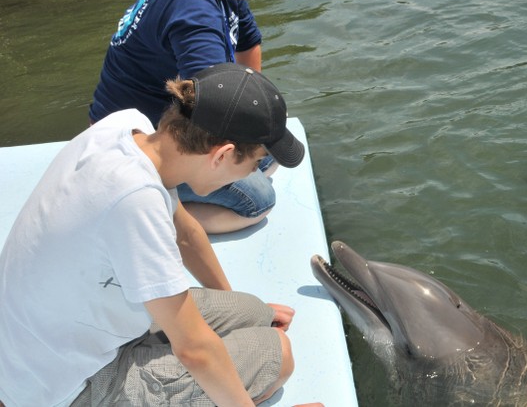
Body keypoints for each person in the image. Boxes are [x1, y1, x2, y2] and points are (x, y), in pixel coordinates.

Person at [0, 64, 320, 407]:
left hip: (58, 337)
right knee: (278, 355)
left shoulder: (126, 127)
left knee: (254, 312)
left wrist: (237, 314)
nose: (253, 172)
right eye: (256, 162)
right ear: (223, 155)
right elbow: (194, 350)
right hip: (60, 387)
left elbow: (185, 233)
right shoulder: (136, 202)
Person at [89, 0, 279, 234]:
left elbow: (248, 46)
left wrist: (258, 125)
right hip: (129, 147)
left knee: (268, 153)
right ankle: (141, 216)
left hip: (163, 124)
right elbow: (209, 107)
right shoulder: (193, 7)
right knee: (257, 203)